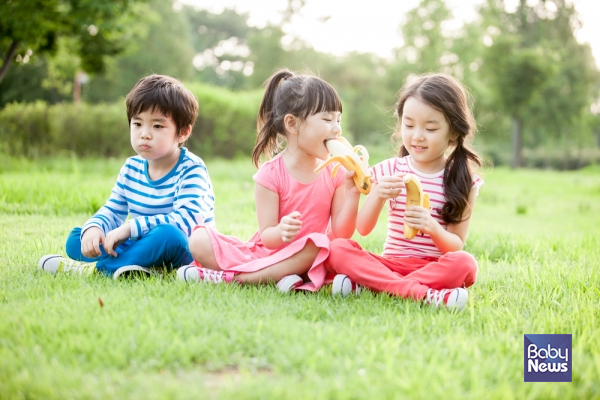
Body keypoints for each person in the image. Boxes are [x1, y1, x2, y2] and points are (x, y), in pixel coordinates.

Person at [177, 69, 360, 292]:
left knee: (323, 244)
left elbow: (342, 232)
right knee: (198, 239)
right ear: (292, 124)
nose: (337, 128)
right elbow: (268, 237)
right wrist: (282, 231)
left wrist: (353, 194)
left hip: (309, 254)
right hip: (269, 253)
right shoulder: (270, 174)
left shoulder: (335, 171)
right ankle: (279, 276)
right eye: (327, 119)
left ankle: (234, 278)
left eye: (338, 120)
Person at [324, 73, 483, 311]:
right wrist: (377, 195)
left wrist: (432, 226)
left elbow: (456, 244)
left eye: (430, 128)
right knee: (336, 249)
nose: (417, 136)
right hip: (389, 264)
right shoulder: (390, 169)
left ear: (452, 132)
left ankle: (371, 286)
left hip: (432, 267)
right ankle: (425, 294)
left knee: (465, 263)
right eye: (409, 125)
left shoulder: (463, 180)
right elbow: (363, 229)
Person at [38, 74, 215, 279]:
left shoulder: (192, 169)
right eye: (137, 124)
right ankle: (137, 267)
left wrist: (129, 228)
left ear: (183, 132)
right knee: (77, 238)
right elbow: (113, 210)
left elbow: (186, 222)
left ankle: (96, 270)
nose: (144, 134)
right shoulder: (131, 167)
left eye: (157, 126)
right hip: (143, 241)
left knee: (168, 235)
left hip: (186, 250)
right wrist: (95, 228)